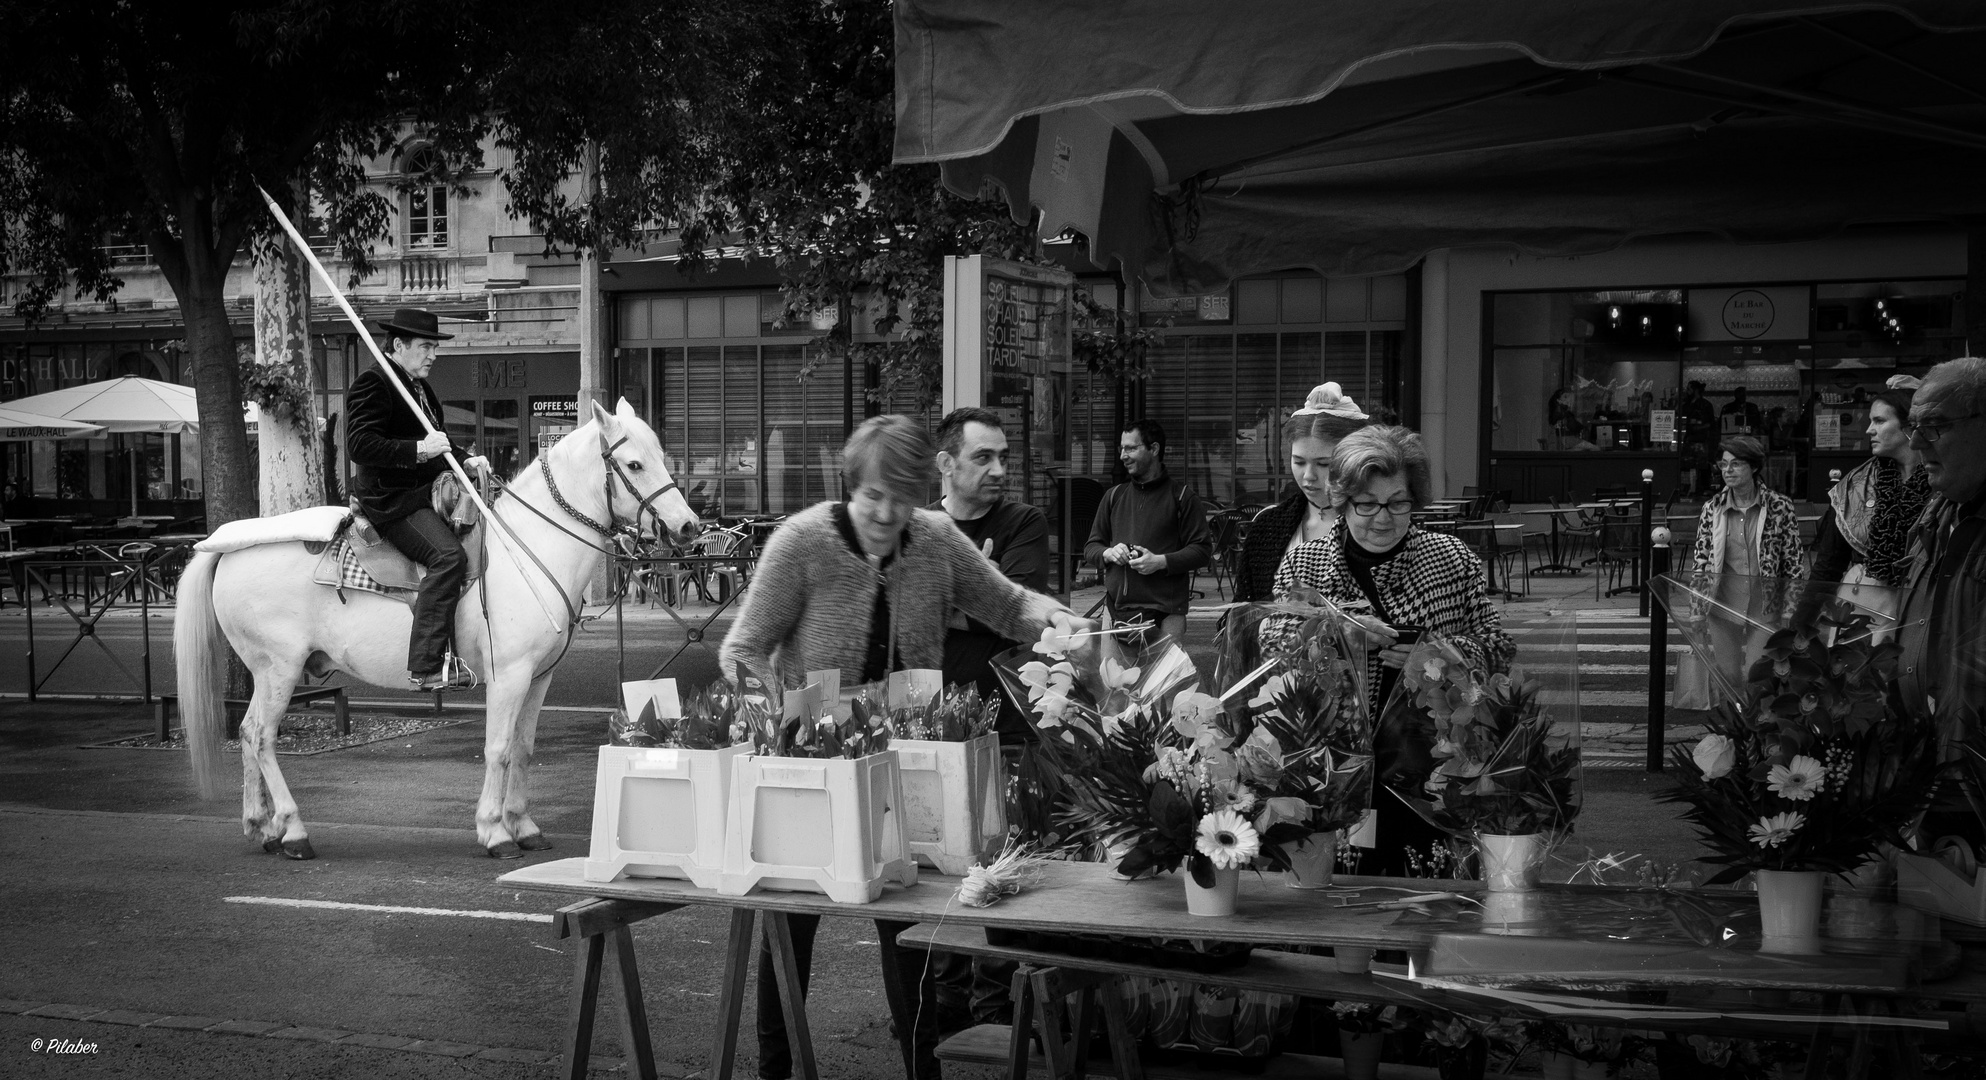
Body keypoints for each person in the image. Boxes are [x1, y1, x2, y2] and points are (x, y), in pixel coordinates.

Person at [720, 415, 1091, 1080]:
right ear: (850, 486)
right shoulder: (801, 542)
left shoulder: (937, 540)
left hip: (906, 761)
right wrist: (771, 722)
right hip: (810, 761)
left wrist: (1059, 617)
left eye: (902, 497)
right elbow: (744, 647)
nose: (888, 514)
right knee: (790, 927)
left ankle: (923, 1067)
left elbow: (1007, 606)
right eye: (872, 498)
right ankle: (775, 1068)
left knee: (909, 931)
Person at [1269, 425, 1514, 876]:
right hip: (1335, 761)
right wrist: (1338, 636)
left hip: (1430, 763)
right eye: (1366, 504)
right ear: (1342, 501)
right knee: (1342, 889)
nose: (1382, 518)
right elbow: (1273, 651)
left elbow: (1496, 645)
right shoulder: (1306, 561)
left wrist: (1440, 654)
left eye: (1398, 503)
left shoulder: (1450, 557)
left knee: (1427, 881)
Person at [345, 307, 488, 691]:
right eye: (426, 346)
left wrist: (465, 459)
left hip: (423, 494)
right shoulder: (373, 383)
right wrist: (420, 450)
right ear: (398, 345)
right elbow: (360, 445)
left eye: (434, 347)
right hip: (392, 501)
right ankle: (425, 665)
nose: (433, 354)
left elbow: (438, 440)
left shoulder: (418, 387)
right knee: (447, 557)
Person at [927, 407, 1049, 741]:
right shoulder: (918, 528)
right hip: (930, 716)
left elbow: (1018, 616)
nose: (998, 470)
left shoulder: (1025, 522)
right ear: (946, 464)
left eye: (1003, 458)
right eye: (983, 458)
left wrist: (937, 594)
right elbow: (896, 615)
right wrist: (982, 588)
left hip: (1007, 723)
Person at [1895, 357, 1986, 763]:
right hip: (1927, 763)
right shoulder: (1937, 515)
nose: (1916, 442)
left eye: (1934, 426)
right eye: (1913, 427)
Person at [1233, 383, 1369, 602]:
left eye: (1324, 464)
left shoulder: (1378, 523)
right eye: (1298, 462)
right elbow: (1239, 611)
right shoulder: (1268, 527)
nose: (1308, 476)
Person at [1084, 418, 1212, 644]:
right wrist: (1108, 553)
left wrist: (1160, 561)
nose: (1123, 456)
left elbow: (1202, 550)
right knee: (1113, 680)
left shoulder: (1183, 497)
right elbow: (1091, 547)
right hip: (1115, 612)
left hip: (1167, 615)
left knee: (1164, 681)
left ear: (1154, 449)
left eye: (1131, 448)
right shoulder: (1113, 496)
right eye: (1121, 448)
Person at [1809, 386, 1931, 594]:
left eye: (1879, 421)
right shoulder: (1855, 485)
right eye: (1870, 421)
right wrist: (1803, 619)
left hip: (1928, 605)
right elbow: (1829, 565)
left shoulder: (1944, 479)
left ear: (1910, 426)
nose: (1869, 430)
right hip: (1867, 609)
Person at [1685, 435, 1804, 585]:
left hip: (1765, 604)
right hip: (1722, 604)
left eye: (1736, 464)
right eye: (1724, 464)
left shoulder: (1780, 507)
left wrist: (1791, 606)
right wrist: (1697, 604)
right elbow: (1700, 564)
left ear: (1754, 467)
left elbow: (1793, 564)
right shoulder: (1712, 508)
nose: (1728, 470)